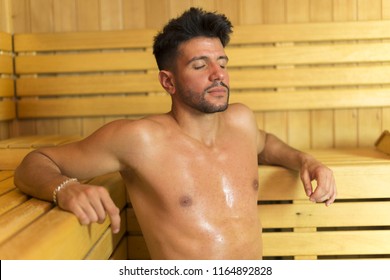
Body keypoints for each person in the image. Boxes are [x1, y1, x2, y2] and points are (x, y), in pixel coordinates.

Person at [14, 7, 336, 260]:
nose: (218, 75)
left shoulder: (241, 120)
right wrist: (65, 189)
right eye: (200, 66)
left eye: (221, 63)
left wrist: (305, 160)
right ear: (168, 82)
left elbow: (264, 145)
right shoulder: (140, 140)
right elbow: (34, 163)